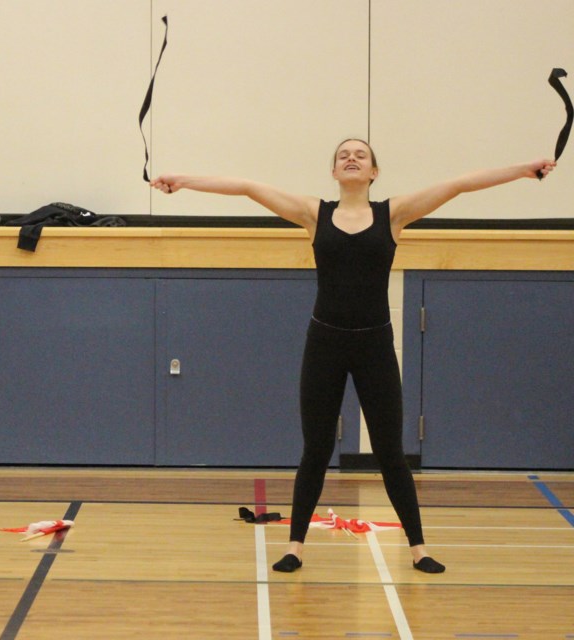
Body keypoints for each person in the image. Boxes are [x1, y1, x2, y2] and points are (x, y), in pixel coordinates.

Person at [151, 140, 556, 573]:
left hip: (374, 347)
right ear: (333, 172)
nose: (351, 158)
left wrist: (523, 170)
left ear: (373, 172)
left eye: (360, 155)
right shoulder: (313, 214)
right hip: (324, 344)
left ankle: (419, 548)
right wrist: (184, 182)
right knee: (316, 449)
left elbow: (458, 185)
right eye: (343, 154)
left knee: (390, 453)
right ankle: (295, 547)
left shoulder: (393, 214)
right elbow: (249, 187)